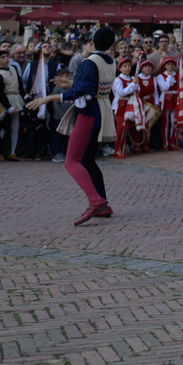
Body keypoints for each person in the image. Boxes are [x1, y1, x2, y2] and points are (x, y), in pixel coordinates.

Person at [26, 27, 117, 226]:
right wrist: (69, 83)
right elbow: (91, 86)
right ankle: (103, 203)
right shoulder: (111, 62)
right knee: (88, 160)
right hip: (102, 110)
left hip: (89, 113)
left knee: (72, 161)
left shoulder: (88, 62)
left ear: (92, 40)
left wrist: (50, 97)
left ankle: (96, 201)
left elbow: (82, 93)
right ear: (111, 45)